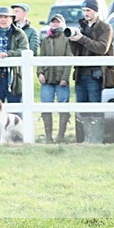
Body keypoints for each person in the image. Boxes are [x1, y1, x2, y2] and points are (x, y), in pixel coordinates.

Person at [68, 0, 114, 144]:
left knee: (95, 109)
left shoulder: (105, 27)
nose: (85, 13)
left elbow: (102, 48)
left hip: (96, 74)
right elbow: (75, 52)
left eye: (88, 10)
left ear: (96, 11)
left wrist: (81, 38)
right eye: (84, 10)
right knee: (82, 109)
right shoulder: (81, 27)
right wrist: (73, 40)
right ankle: (85, 139)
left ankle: (95, 140)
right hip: (80, 73)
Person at [38, 14, 72, 143]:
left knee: (63, 106)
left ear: (62, 23)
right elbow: (41, 57)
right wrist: (40, 73)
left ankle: (61, 135)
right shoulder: (45, 39)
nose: (55, 24)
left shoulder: (67, 39)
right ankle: (48, 136)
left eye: (58, 22)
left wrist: (65, 78)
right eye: (53, 22)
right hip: (47, 78)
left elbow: (69, 59)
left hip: (61, 78)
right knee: (46, 106)